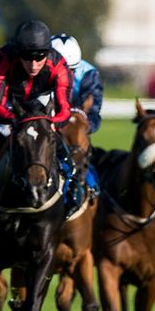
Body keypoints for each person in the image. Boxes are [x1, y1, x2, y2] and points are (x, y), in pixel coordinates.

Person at [0, 20, 80, 218]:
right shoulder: (2, 60)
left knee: (60, 148)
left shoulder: (59, 65)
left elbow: (65, 109)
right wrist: (16, 120)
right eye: (27, 57)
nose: (33, 64)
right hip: (11, 102)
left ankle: (72, 192)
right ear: (17, 52)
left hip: (42, 102)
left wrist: (52, 124)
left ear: (47, 53)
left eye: (39, 57)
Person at [51, 33, 103, 200]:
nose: (65, 74)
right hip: (47, 123)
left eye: (71, 70)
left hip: (74, 126)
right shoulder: (37, 68)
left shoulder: (89, 74)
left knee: (80, 151)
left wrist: (76, 123)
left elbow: (93, 112)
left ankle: (91, 187)